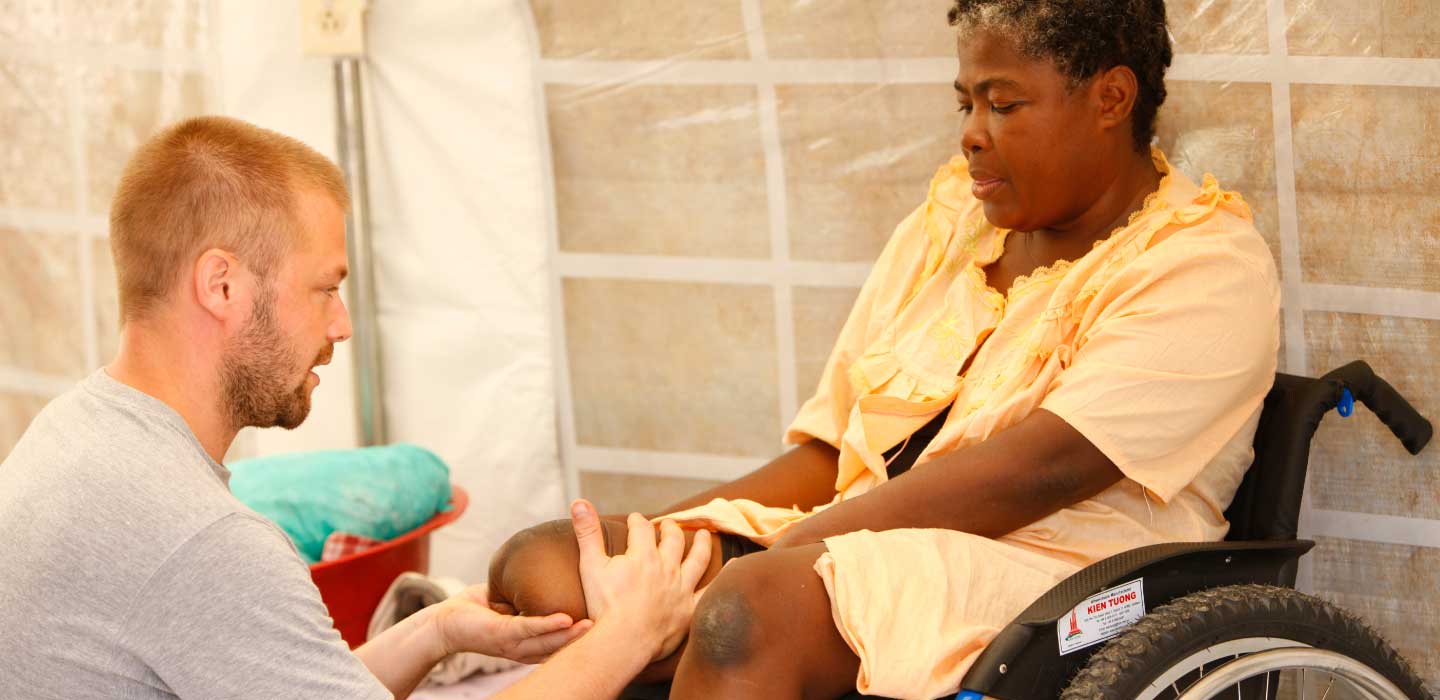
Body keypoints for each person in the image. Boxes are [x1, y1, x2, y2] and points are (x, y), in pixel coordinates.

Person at [487, 0, 1281, 697]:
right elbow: (831, 451)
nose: (972, 135)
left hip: (1051, 573)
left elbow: (1041, 471)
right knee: (547, 570)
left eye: (1004, 104)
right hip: (852, 534)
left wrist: (768, 561)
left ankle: (710, 634)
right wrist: (660, 549)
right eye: (966, 102)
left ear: (1111, 98)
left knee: (745, 612)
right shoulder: (954, 226)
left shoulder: (1202, 262)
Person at [0, 115, 712, 700]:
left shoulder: (73, 432)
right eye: (324, 289)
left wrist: (434, 635)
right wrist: (630, 636)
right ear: (221, 287)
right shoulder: (199, 540)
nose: (341, 324)